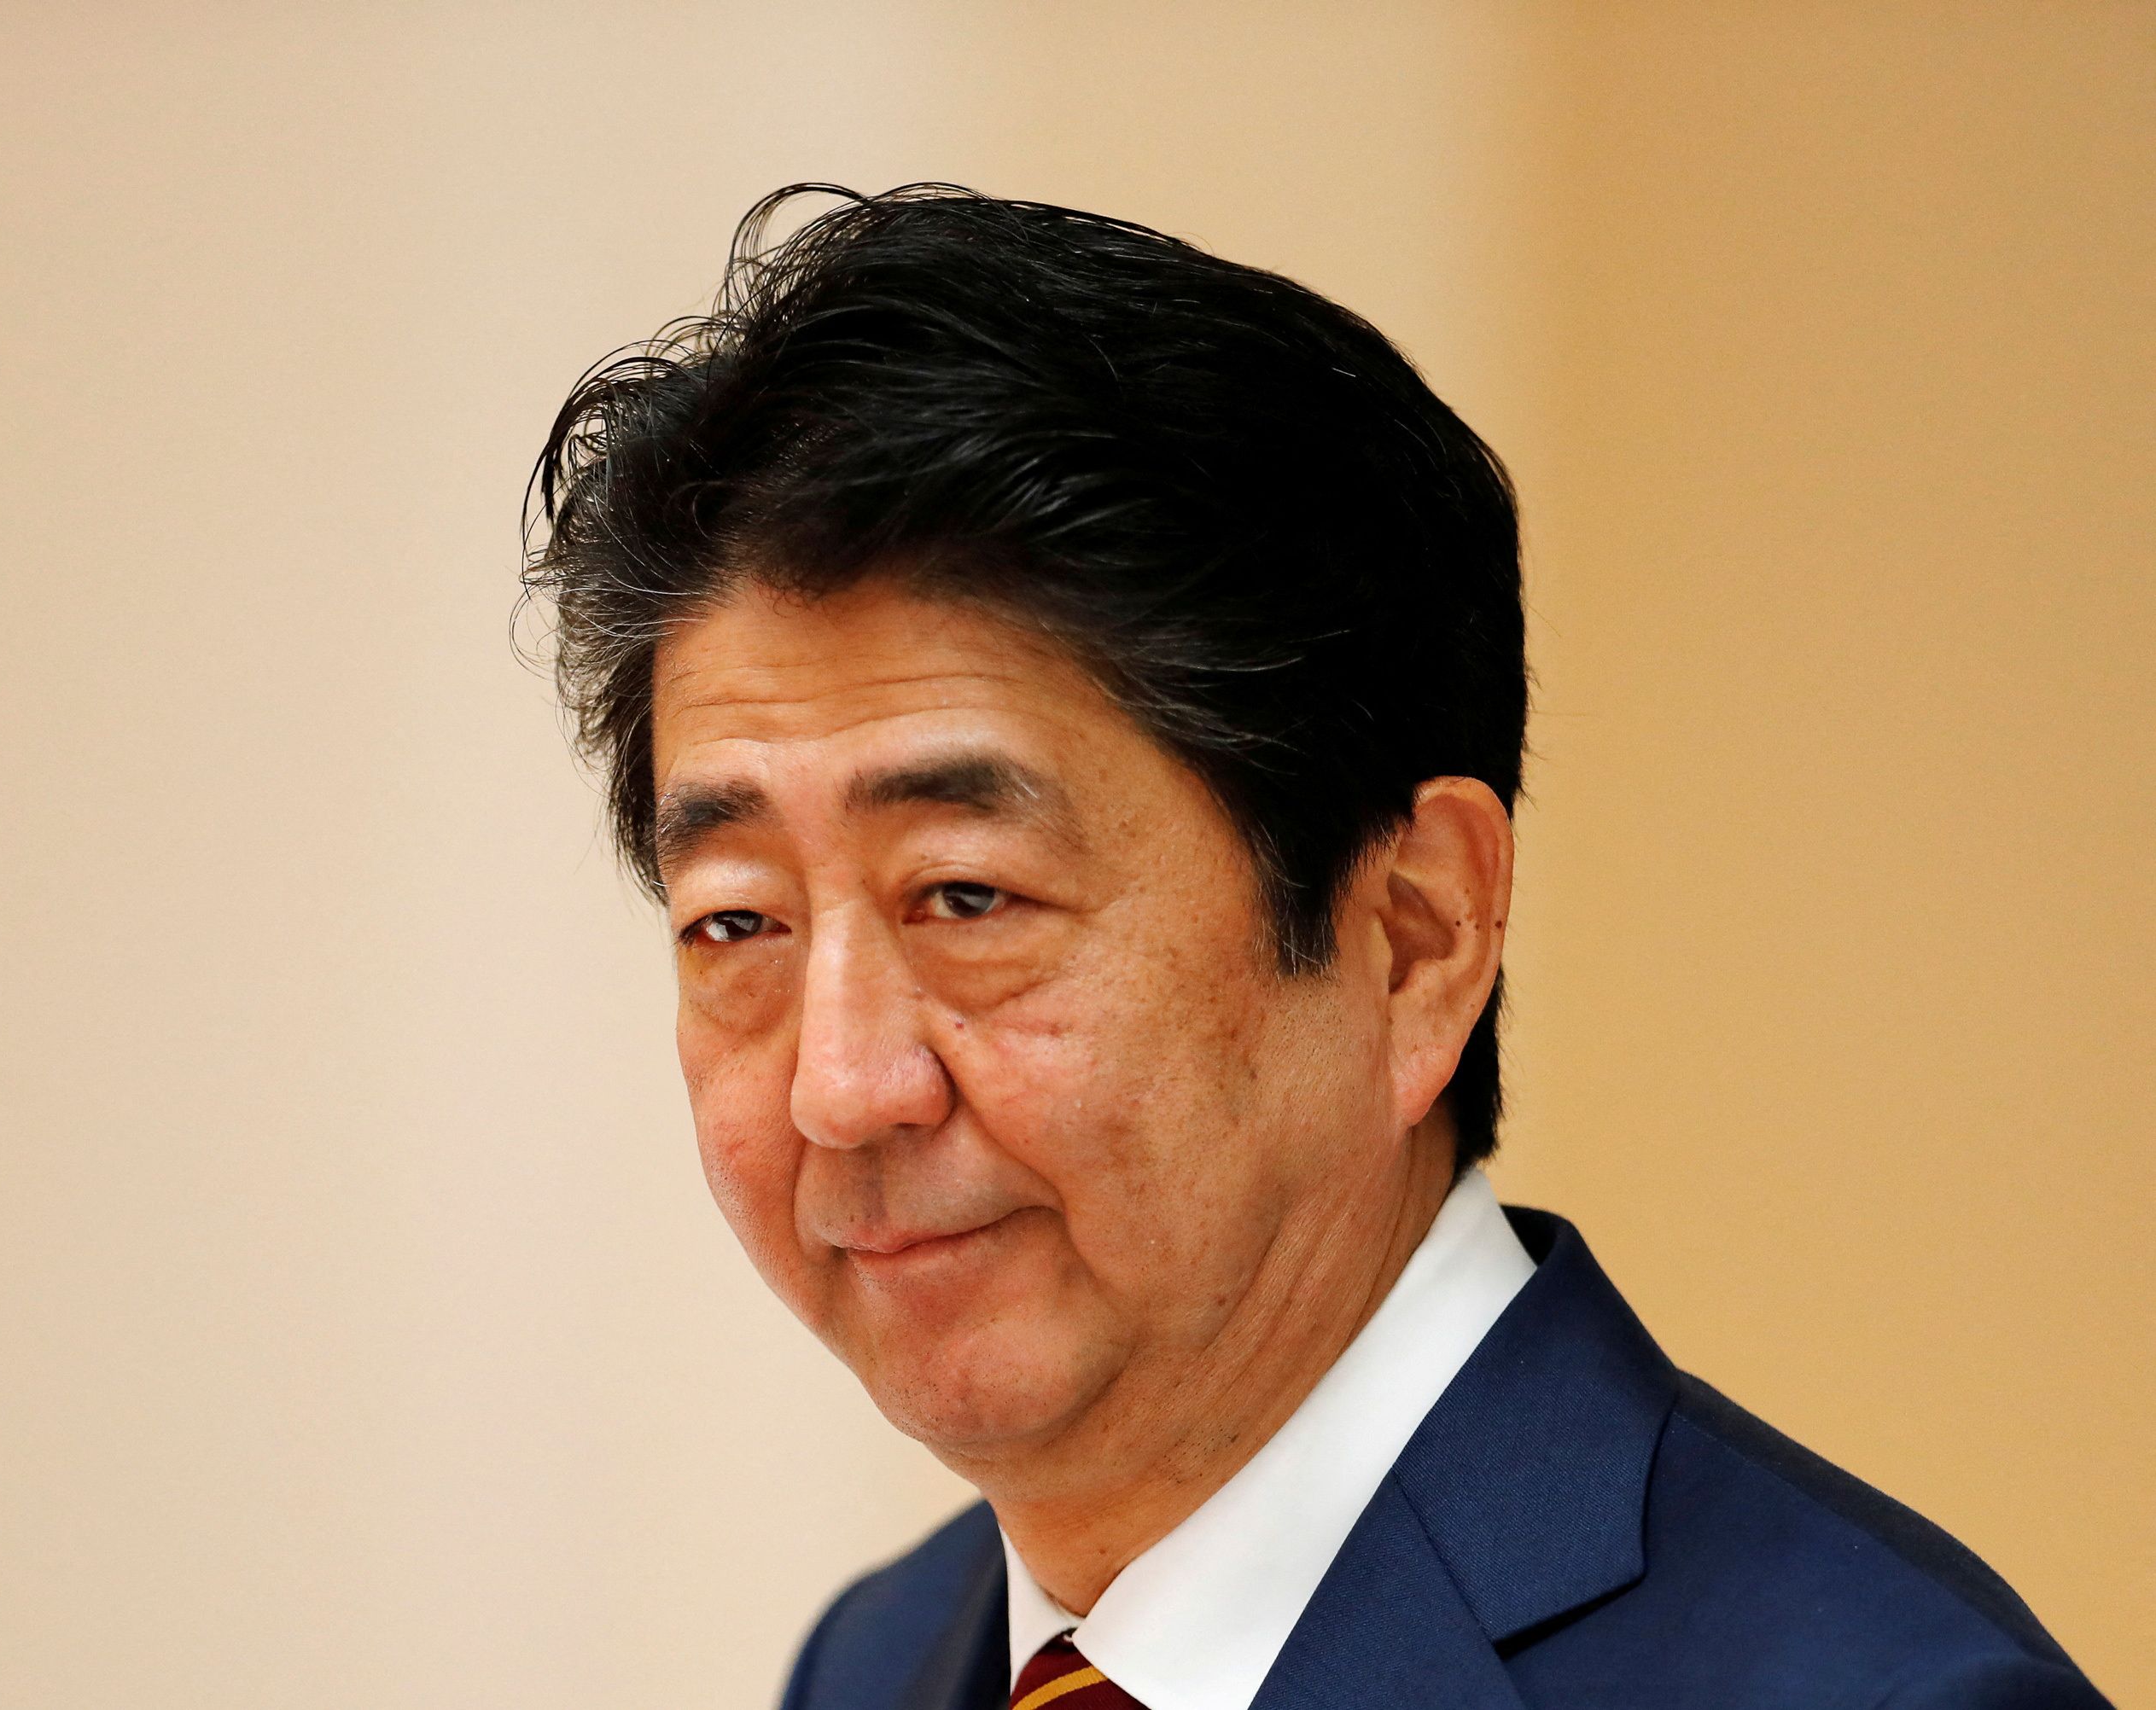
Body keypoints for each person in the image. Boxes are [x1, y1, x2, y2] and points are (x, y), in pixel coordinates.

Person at [518, 185, 2106, 1710]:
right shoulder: (879, 1662)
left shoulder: (1879, 1694)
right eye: (739, 923)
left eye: (968, 898)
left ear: (1414, 938)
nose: (845, 1091)